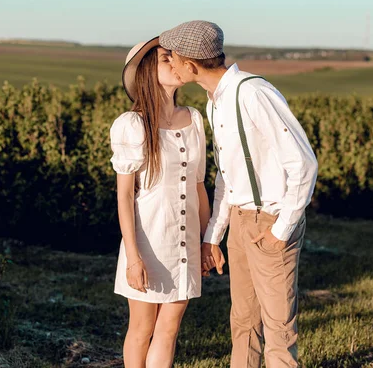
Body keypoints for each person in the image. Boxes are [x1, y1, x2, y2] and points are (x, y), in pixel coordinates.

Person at [159, 20, 318, 368]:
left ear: (190, 65)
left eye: (171, 59)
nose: (168, 66)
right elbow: (227, 178)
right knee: (243, 323)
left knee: (278, 330)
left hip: (272, 219)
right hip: (241, 222)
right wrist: (213, 236)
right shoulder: (216, 102)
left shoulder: (252, 92)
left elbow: (304, 164)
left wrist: (280, 231)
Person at [110, 36, 211, 368]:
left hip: (185, 242)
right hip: (148, 241)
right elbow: (125, 196)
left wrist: (208, 240)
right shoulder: (133, 125)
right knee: (142, 329)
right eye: (167, 59)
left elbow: (199, 187)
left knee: (169, 328)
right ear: (147, 72)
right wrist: (133, 257)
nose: (176, 63)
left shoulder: (194, 119)